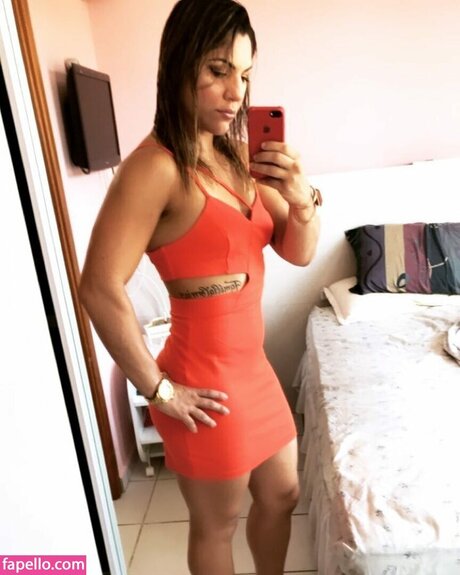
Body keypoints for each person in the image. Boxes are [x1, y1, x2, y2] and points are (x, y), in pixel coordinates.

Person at [79, 0, 321, 573]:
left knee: (282, 493)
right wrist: (159, 390)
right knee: (218, 524)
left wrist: (303, 199)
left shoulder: (235, 156)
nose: (236, 92)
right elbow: (98, 287)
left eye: (245, 74)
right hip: (203, 381)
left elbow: (298, 251)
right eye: (218, 70)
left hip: (253, 369)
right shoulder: (155, 167)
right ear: (179, 63)